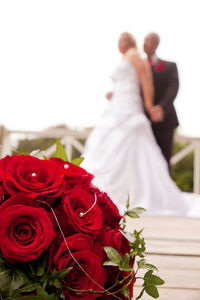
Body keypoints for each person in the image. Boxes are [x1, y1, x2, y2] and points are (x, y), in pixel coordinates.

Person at [81, 32, 200, 217]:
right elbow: (132, 82)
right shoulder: (134, 58)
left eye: (122, 40)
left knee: (158, 157)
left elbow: (151, 84)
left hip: (154, 116)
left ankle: (153, 195)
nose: (120, 44)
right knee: (125, 152)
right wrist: (114, 93)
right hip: (123, 108)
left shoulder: (144, 59)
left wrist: (152, 106)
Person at [144, 33, 179, 171]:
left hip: (165, 121)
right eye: (145, 40)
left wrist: (161, 108)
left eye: (150, 40)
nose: (146, 43)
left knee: (164, 160)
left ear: (157, 44)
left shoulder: (170, 66)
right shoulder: (137, 66)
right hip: (143, 121)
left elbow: (173, 88)